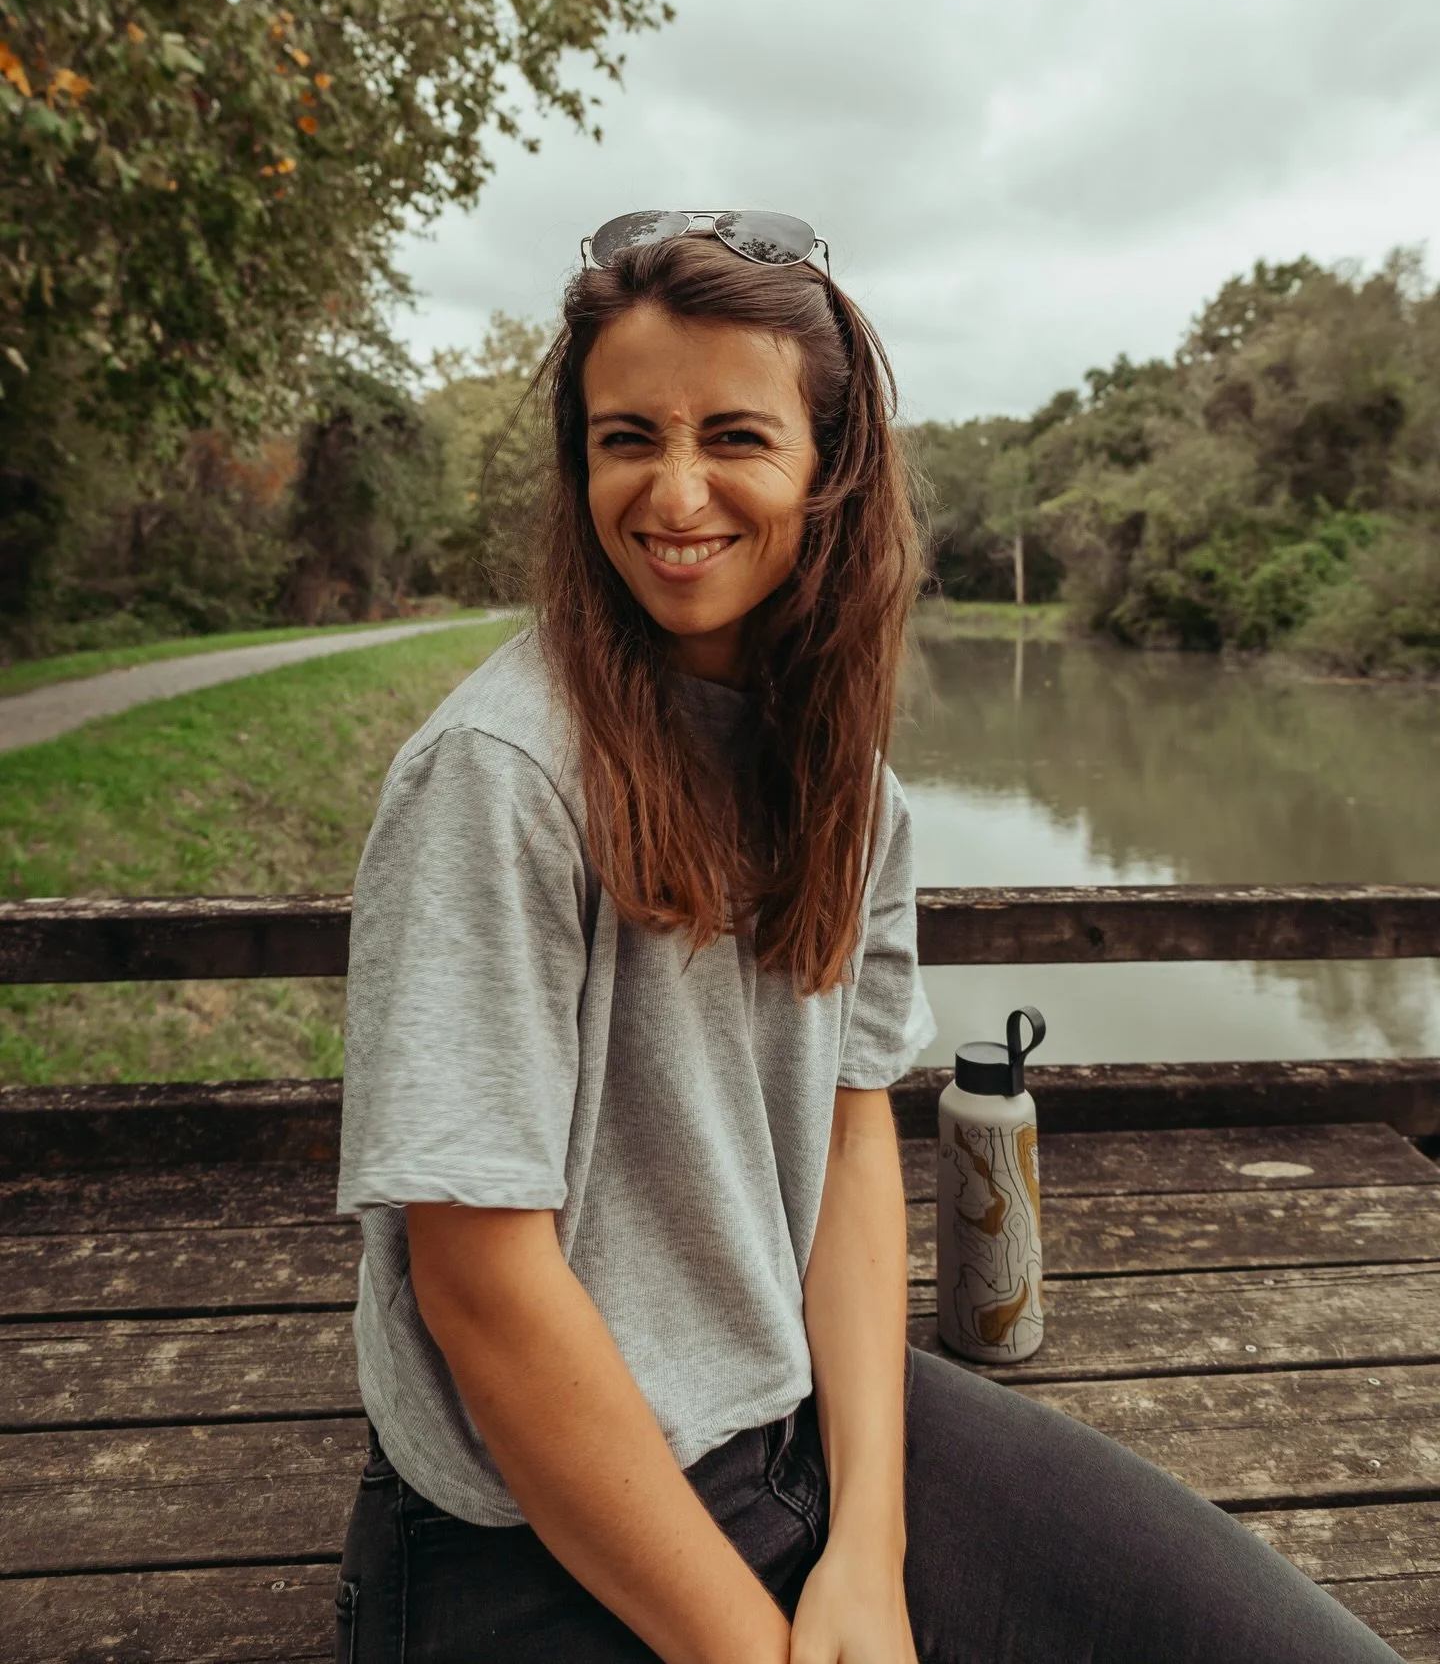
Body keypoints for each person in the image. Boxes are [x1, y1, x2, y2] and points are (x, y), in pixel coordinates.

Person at [334, 211, 1400, 1663]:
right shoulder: (501, 776)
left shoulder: (850, 790)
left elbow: (848, 1150)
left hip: (797, 1430)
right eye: (627, 434)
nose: (676, 488)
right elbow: (483, 1286)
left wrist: (871, 1547)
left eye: (736, 435)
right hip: (521, 1531)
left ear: (829, 467)